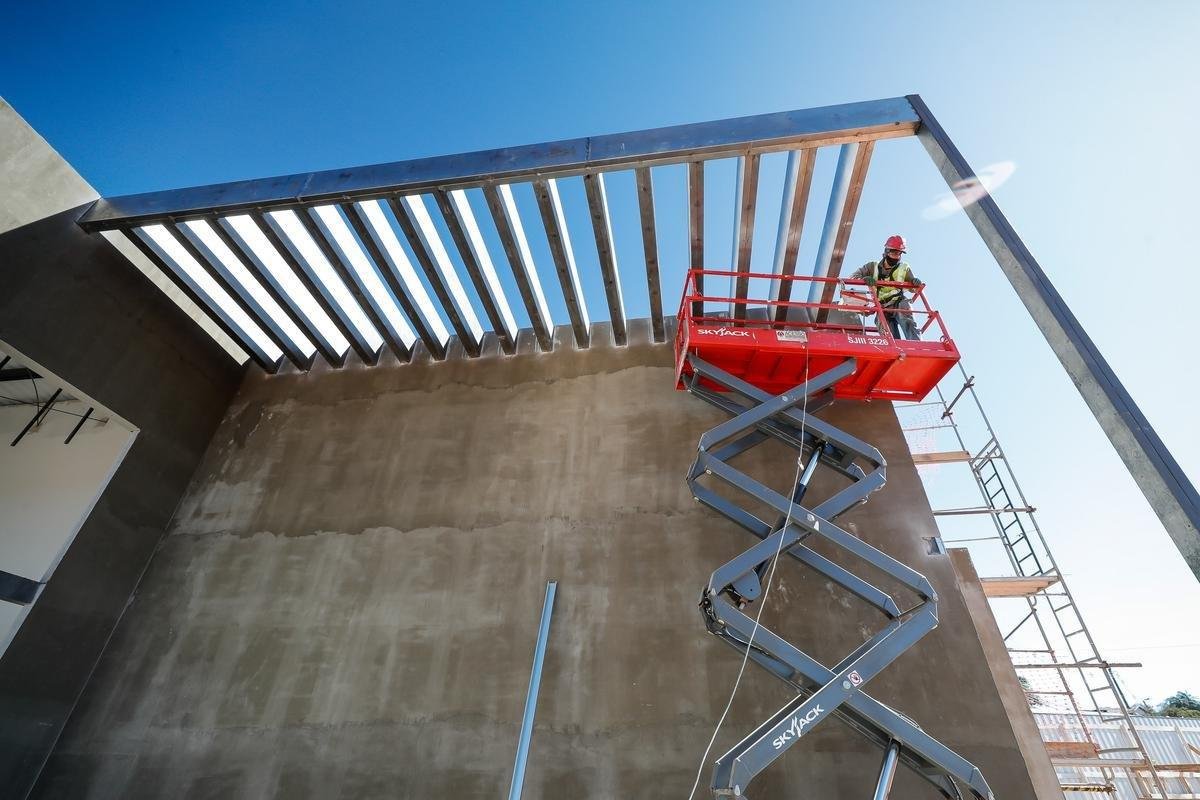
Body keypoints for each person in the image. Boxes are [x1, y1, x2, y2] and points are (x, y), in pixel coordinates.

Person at [849, 235, 924, 340]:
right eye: (894, 253)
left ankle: (916, 345)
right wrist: (864, 279)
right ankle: (894, 348)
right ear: (886, 252)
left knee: (907, 318)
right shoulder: (872, 266)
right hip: (882, 306)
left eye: (899, 254)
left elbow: (914, 289)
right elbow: (853, 276)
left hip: (898, 302)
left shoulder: (904, 268)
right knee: (886, 331)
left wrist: (915, 283)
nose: (896, 257)